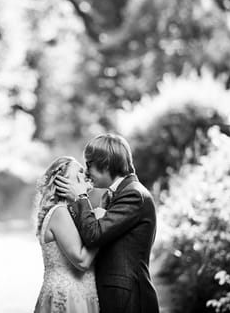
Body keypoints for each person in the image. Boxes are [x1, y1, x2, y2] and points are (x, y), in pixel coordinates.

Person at [55, 134, 160, 313]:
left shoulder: (134, 195)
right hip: (116, 297)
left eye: (89, 165)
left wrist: (80, 197)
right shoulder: (113, 194)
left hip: (128, 300)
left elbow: (94, 235)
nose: (86, 172)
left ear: (106, 164)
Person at [33, 156, 107, 313]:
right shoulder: (59, 212)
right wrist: (100, 225)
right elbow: (81, 261)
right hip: (67, 300)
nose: (85, 175)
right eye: (79, 172)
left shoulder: (72, 212)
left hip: (82, 296)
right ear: (61, 182)